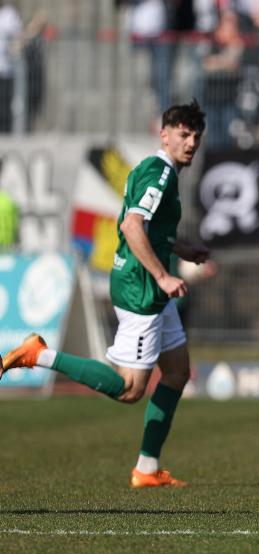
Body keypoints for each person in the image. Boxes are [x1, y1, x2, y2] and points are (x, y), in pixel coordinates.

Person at [0, 100, 210, 489]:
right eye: (183, 134)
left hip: (146, 283)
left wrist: (182, 249)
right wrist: (164, 276)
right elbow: (132, 226)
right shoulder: (159, 172)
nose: (191, 142)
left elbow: (149, 228)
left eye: (196, 135)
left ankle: (147, 469)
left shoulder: (158, 172)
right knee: (130, 388)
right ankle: (37, 353)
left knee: (177, 372)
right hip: (142, 287)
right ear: (164, 134)